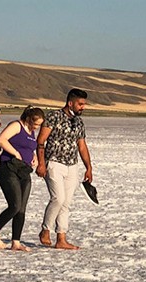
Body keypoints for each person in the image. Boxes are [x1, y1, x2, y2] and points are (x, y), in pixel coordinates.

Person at [36, 89, 93, 250]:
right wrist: (41, 163)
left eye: (84, 104)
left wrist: (88, 167)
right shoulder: (54, 117)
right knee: (58, 198)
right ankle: (45, 229)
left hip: (72, 165)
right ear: (70, 103)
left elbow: (82, 146)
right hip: (54, 162)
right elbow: (40, 141)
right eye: (80, 104)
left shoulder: (79, 122)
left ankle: (61, 238)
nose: (83, 107)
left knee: (66, 203)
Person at [0, 106, 45, 251]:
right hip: (9, 168)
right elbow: (1, 140)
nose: (37, 128)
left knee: (21, 209)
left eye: (39, 125)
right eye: (36, 124)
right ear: (28, 119)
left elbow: (29, 147)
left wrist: (33, 158)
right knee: (15, 205)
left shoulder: (31, 132)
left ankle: (16, 242)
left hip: (24, 171)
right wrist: (16, 153)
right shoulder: (16, 125)